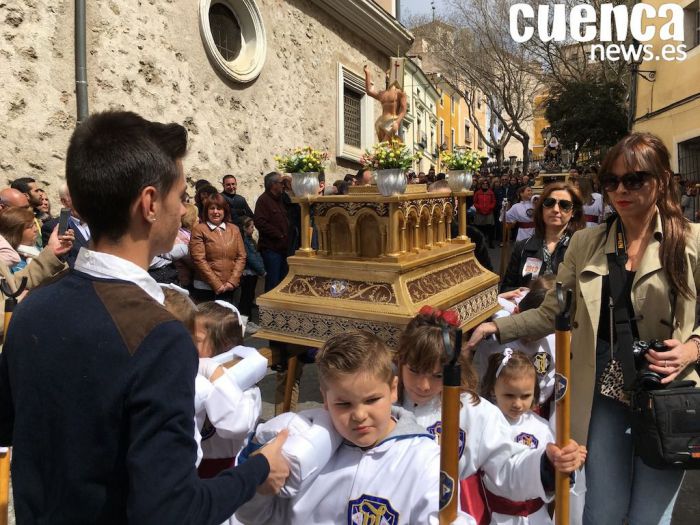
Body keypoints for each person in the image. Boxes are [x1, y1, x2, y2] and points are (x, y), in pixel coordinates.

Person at [0, 110, 289, 523]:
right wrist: (259, 469)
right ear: (150, 203)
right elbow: (172, 510)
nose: (183, 208)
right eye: (181, 196)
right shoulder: (159, 336)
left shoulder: (34, 308)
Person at [467, 132, 700, 525]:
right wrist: (496, 327)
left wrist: (693, 348)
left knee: (649, 515)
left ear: (661, 180)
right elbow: (554, 311)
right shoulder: (587, 244)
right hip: (603, 387)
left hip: (668, 389)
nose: (620, 190)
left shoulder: (690, 240)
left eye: (634, 180)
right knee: (603, 509)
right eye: (611, 182)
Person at [235, 330, 476, 524]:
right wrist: (258, 487)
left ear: (393, 390)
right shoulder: (300, 443)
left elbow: (439, 511)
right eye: (343, 403)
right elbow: (256, 517)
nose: (359, 415)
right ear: (325, 399)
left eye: (371, 400)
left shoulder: (424, 458)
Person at [397, 309, 585, 523]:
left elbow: (506, 467)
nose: (424, 385)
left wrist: (547, 465)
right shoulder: (382, 404)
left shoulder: (474, 411)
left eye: (438, 375)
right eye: (414, 371)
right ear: (400, 361)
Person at [480, 350, 555, 525]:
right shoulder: (485, 422)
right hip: (495, 516)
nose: (517, 403)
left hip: (535, 517)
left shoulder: (542, 427)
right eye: (509, 395)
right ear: (493, 390)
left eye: (525, 396)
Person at [193, 301, 266, 482]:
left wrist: (214, 375)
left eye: (196, 340)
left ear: (225, 344)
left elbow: (235, 427)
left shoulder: (248, 391)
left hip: (223, 473)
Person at [501, 182, 584, 292]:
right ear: (541, 208)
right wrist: (519, 294)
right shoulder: (522, 247)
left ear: (573, 212)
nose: (555, 209)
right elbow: (506, 288)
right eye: (549, 203)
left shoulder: (582, 248)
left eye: (565, 205)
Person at [189, 193, 246, 303]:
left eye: (219, 208)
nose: (215, 212)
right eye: (212, 208)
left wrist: (232, 281)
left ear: (225, 210)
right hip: (205, 288)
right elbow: (199, 259)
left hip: (229, 286)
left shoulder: (234, 229)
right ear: (206, 211)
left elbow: (241, 256)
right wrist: (216, 284)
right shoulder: (199, 229)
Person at [254, 172, 290, 292]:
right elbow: (259, 222)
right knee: (273, 283)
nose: (283, 186)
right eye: (281, 183)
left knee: (283, 281)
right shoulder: (263, 200)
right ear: (273, 185)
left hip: (283, 249)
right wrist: (279, 234)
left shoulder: (281, 199)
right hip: (272, 250)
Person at [363, 64, 408, 142]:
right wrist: (367, 73)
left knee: (384, 145)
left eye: (389, 74)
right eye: (386, 74)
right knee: (383, 145)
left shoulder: (400, 93)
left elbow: (403, 110)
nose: (387, 76)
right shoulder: (383, 93)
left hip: (391, 121)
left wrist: (397, 122)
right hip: (380, 122)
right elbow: (369, 91)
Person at [239, 216, 265, 333]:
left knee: (249, 297)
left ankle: (248, 321)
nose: (253, 229)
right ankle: (244, 322)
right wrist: (261, 270)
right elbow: (251, 258)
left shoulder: (250, 240)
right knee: (246, 298)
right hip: (248, 273)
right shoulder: (245, 242)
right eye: (251, 227)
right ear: (244, 228)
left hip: (252, 273)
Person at [473, 178, 496, 248]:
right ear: (481, 185)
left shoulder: (491, 192)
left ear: (488, 185)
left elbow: (493, 202)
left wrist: (489, 208)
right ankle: (479, 243)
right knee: (479, 229)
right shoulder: (477, 192)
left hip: (489, 213)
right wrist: (479, 208)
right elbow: (475, 202)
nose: (485, 185)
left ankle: (490, 242)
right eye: (483, 184)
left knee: (490, 229)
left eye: (486, 184)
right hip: (479, 213)